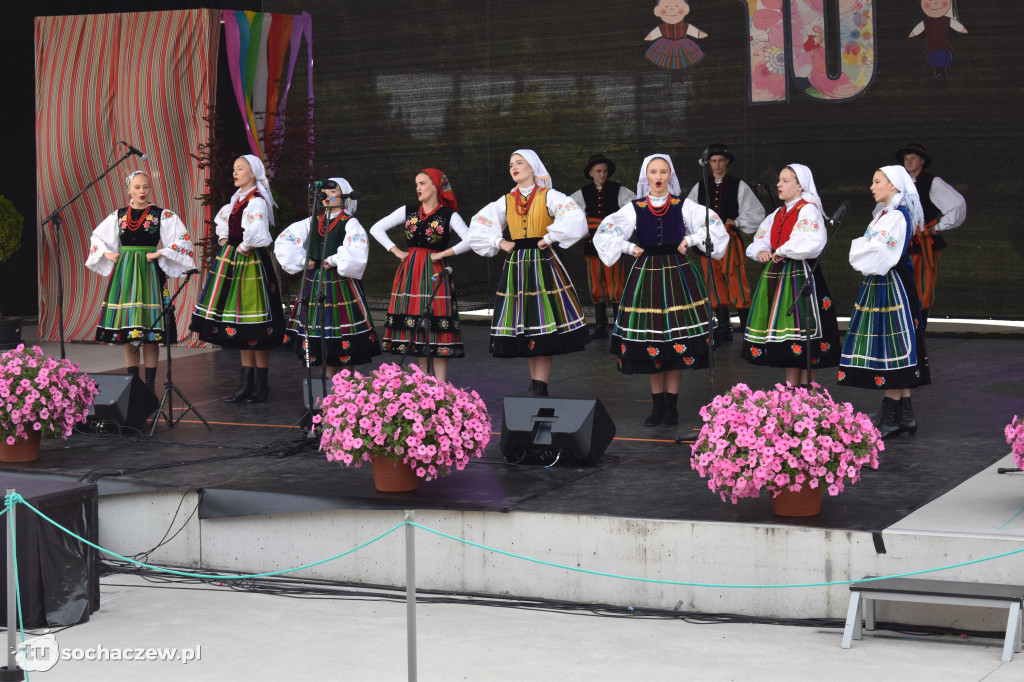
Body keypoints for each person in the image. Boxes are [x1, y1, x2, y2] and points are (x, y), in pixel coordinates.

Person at [593, 153, 728, 427]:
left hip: (678, 273)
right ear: (646, 177)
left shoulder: (684, 205)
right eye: (653, 172)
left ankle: (672, 406)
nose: (658, 177)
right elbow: (606, 231)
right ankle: (657, 406)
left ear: (670, 176)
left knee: (675, 341)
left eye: (663, 172)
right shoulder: (635, 207)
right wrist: (628, 247)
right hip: (647, 276)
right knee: (652, 341)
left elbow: (714, 226)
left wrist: (689, 239)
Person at [468, 149, 590, 396]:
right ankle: (535, 383)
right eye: (511, 163)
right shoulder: (505, 200)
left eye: (519, 163)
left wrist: (549, 237)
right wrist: (499, 242)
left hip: (543, 263)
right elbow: (478, 225)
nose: (514, 167)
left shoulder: (550, 196)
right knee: (526, 322)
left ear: (532, 167)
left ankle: (541, 384)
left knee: (543, 320)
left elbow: (576, 218)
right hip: (517, 266)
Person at [839, 166, 931, 438]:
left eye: (877, 181)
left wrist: (860, 248)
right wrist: (864, 248)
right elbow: (869, 249)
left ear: (893, 186)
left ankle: (892, 417)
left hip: (892, 285)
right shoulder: (887, 215)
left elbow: (878, 252)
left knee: (892, 348)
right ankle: (904, 415)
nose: (872, 186)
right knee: (896, 347)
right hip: (886, 281)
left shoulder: (895, 217)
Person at [86, 171, 196, 392]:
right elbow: (97, 237)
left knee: (150, 330)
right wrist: (106, 254)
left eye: (145, 187)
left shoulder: (160, 214)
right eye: (137, 187)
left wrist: (159, 253)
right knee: (129, 330)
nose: (142, 191)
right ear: (129, 190)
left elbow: (183, 240)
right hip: (126, 272)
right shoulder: (118, 215)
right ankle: (133, 386)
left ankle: (149, 387)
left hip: (148, 271)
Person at [190, 154, 285, 403]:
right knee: (240, 324)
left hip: (251, 263)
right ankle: (246, 383)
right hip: (232, 260)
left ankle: (261, 384)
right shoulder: (235, 201)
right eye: (234, 168)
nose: (235, 172)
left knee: (256, 323)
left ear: (252, 173)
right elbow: (223, 223)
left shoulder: (256, 201)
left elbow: (258, 235)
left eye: (240, 169)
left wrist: (242, 247)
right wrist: (224, 240)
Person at [743, 163, 840, 386]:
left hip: (802, 275)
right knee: (788, 338)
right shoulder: (778, 213)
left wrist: (781, 250)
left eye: (785, 181)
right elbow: (759, 239)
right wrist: (762, 251)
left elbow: (809, 242)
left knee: (806, 337)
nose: (779, 184)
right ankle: (790, 396)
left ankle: (808, 396)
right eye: (780, 180)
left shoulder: (808, 209)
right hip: (778, 277)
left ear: (800, 186)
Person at [275, 178, 380, 379]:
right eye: (323, 191)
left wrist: (332, 259)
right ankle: (331, 392)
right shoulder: (312, 221)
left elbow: (356, 251)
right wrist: (303, 260)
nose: (326, 194)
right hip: (315, 284)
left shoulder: (350, 222)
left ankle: (346, 390)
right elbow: (285, 241)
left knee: (342, 339)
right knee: (325, 339)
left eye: (332, 190)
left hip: (341, 285)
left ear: (344, 195)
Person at [369, 169, 467, 382]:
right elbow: (376, 228)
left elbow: (471, 239)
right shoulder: (409, 210)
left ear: (436, 187)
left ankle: (440, 386)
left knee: (437, 324)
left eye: (422, 183)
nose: (418, 188)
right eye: (417, 184)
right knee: (418, 327)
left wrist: (443, 253)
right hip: (411, 271)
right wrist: (396, 251)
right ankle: (426, 384)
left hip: (435, 272)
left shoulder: (449, 215)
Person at [686, 143, 766, 341]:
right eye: (713, 161)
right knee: (712, 281)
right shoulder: (700, 186)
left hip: (730, 239)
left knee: (736, 279)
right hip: (706, 241)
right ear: (708, 163)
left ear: (727, 161)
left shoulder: (739, 185)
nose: (717, 165)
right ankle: (724, 327)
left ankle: (747, 328)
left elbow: (757, 213)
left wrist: (736, 221)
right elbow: (688, 212)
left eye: (721, 160)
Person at [893, 143, 966, 331]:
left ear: (922, 161)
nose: (908, 162)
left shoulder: (932, 182)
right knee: (900, 282)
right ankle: (902, 328)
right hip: (900, 241)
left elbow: (957, 205)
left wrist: (939, 226)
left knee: (923, 284)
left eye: (913, 158)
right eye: (906, 159)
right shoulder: (897, 183)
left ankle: (919, 328)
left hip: (923, 241)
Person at [570, 154, 636, 340]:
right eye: (598, 171)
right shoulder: (582, 193)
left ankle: (618, 324)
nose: (602, 174)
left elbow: (632, 210)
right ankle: (600, 325)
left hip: (613, 243)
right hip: (592, 244)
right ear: (591, 173)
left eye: (605, 171)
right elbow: (569, 212)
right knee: (596, 282)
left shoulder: (619, 190)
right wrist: (580, 229)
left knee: (616, 282)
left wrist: (621, 231)